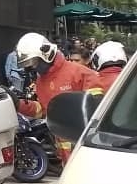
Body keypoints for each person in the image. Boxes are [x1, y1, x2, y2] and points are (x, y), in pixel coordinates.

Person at [15, 32, 100, 164]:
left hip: (87, 152)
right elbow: (44, 111)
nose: (32, 67)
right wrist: (18, 104)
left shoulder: (81, 73)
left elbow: (98, 110)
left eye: (34, 62)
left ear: (46, 54)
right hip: (66, 156)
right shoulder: (41, 81)